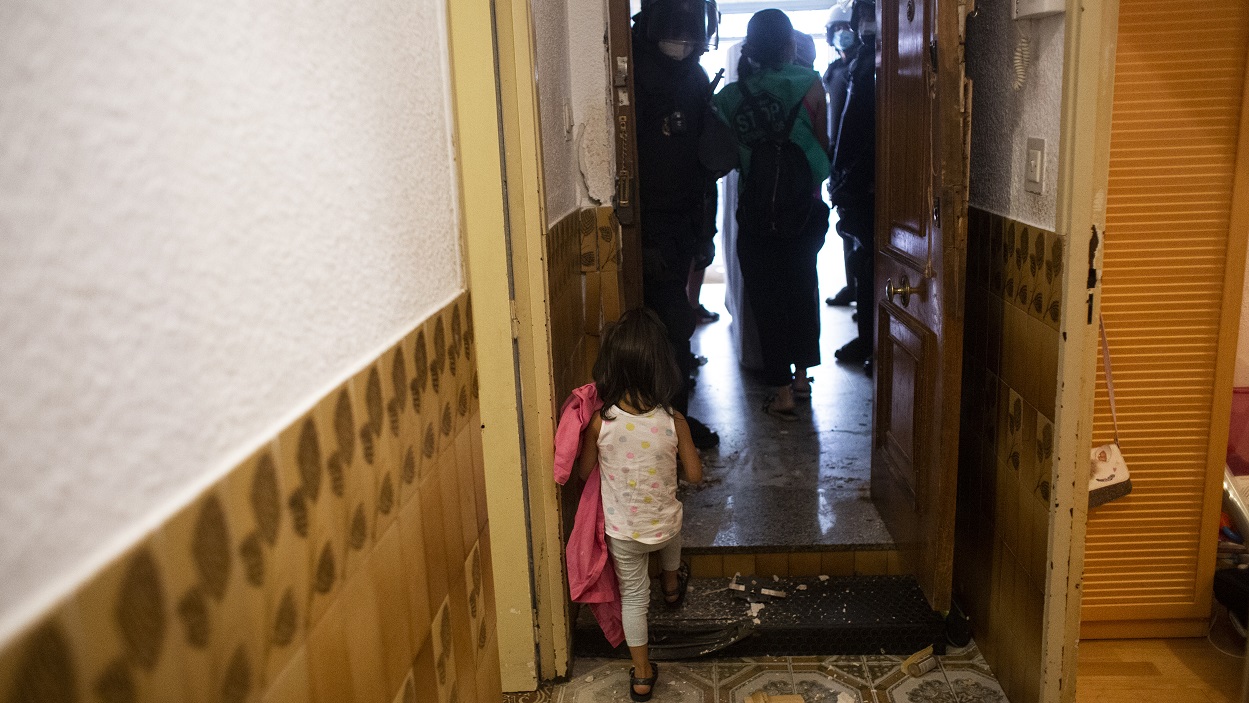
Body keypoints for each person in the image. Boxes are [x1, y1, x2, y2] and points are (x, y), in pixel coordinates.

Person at [576, 308, 704, 702]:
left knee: (633, 597)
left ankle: (643, 674)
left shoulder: (603, 422)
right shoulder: (673, 420)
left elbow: (583, 473)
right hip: (663, 527)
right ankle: (670, 583)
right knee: (674, 521)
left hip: (623, 534)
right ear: (662, 366)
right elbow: (696, 476)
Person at [713, 9, 830, 418]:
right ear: (790, 45)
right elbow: (823, 147)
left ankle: (779, 391)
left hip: (757, 212)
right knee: (802, 289)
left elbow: (717, 155)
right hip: (805, 212)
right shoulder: (810, 83)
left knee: (767, 300)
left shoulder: (729, 97)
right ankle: (801, 378)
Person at [633, 0, 722, 447]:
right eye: (677, 34)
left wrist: (706, 233)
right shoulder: (631, 71)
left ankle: (676, 426)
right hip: (641, 226)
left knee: (676, 330)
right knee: (656, 331)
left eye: (692, 37)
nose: (684, 44)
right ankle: (660, 429)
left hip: (682, 223)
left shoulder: (696, 78)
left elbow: (705, 169)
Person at [823, 0, 877, 371]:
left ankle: (873, 340)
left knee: (869, 259)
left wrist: (846, 175)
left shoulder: (872, 66)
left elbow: (860, 130)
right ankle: (870, 336)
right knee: (859, 254)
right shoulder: (841, 70)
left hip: (864, 177)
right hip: (848, 173)